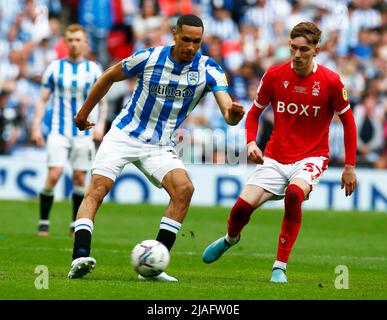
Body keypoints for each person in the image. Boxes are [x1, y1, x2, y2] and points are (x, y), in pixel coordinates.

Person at [67, 14, 245, 281]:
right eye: (185, 39)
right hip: (124, 135)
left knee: (184, 190)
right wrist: (83, 114)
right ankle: (80, 257)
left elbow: (228, 112)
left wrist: (234, 114)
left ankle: (153, 266)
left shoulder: (209, 69)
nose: (190, 47)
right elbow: (108, 76)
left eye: (197, 41)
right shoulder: (149, 58)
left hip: (160, 145)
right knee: (98, 189)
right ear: (174, 34)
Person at [202, 22, 358, 283]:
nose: (297, 55)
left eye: (304, 50)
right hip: (274, 156)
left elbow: (349, 122)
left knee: (295, 194)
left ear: (316, 50)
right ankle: (231, 238)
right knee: (241, 208)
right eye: (293, 48)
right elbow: (254, 114)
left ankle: (279, 266)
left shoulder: (330, 81)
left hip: (311, 156)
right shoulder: (274, 75)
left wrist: (350, 166)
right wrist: (251, 142)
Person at [32, 24, 107, 237]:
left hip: (84, 132)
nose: (74, 44)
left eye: (78, 40)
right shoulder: (55, 68)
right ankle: (44, 221)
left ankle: (75, 225)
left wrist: (100, 124)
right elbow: (42, 99)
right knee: (54, 174)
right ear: (65, 42)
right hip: (58, 130)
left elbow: (102, 100)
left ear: (85, 43)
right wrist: (36, 126)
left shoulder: (93, 69)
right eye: (71, 40)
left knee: (79, 178)